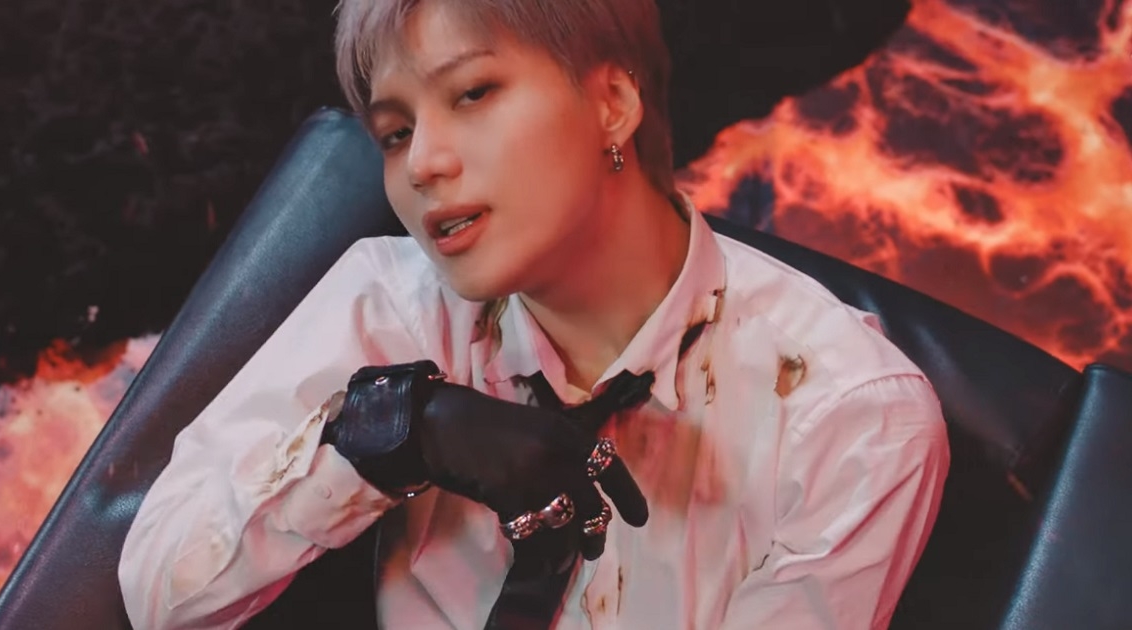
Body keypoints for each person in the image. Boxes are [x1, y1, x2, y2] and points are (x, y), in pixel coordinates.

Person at [117, 0, 950, 627]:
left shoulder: (851, 423)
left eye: (473, 92)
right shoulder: (393, 302)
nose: (423, 164)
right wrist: (389, 439)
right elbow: (159, 591)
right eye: (395, 133)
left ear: (612, 101)